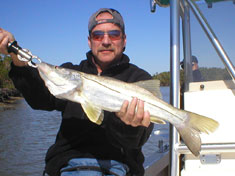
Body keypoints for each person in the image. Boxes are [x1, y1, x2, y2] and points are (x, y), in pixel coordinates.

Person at [0, 8, 154, 176]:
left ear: (124, 40)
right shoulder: (72, 71)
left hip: (120, 166)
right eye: (98, 35)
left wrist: (127, 125)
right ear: (89, 41)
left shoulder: (139, 79)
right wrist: (17, 58)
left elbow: (136, 140)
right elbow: (40, 100)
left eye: (114, 34)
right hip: (67, 165)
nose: (106, 41)